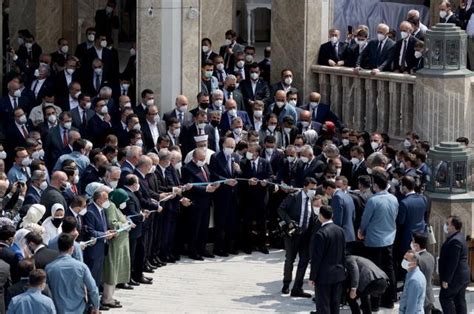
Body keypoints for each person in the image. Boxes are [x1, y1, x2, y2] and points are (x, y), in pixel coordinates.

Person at [358, 170, 398, 309]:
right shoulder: (393, 198)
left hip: (374, 241)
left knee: (374, 272)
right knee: (389, 269)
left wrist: (361, 232)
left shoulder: (373, 201)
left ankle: (374, 303)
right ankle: (390, 300)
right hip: (389, 239)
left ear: (375, 185)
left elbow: (365, 220)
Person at [278, 177, 317, 298]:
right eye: (311, 188)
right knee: (290, 259)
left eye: (314, 189)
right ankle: (286, 284)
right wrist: (289, 221)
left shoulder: (313, 199)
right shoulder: (294, 197)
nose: (313, 191)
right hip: (293, 234)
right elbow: (281, 209)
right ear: (305, 187)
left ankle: (297, 287)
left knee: (304, 261)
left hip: (306, 235)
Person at [46, 233, 100, 314]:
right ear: (72, 248)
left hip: (58, 310)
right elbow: (93, 289)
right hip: (79, 310)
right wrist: (96, 307)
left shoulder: (49, 268)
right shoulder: (82, 267)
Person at [309, 205, 346, 314]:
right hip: (338, 274)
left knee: (323, 305)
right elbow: (343, 253)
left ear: (320, 216)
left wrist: (312, 277)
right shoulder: (340, 231)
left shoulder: (320, 234)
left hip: (324, 276)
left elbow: (317, 258)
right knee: (335, 305)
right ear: (332, 215)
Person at [439, 215, 470, 314]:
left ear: (453, 226)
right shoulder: (459, 236)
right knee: (459, 301)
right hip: (461, 277)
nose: (446, 226)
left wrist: (446, 280)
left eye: (447, 224)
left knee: (445, 298)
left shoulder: (455, 240)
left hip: (455, 278)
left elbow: (453, 262)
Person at [411, 233, 436, 314]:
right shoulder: (431, 256)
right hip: (429, 294)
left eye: (413, 242)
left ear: (416, 245)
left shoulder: (417, 259)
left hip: (419, 296)